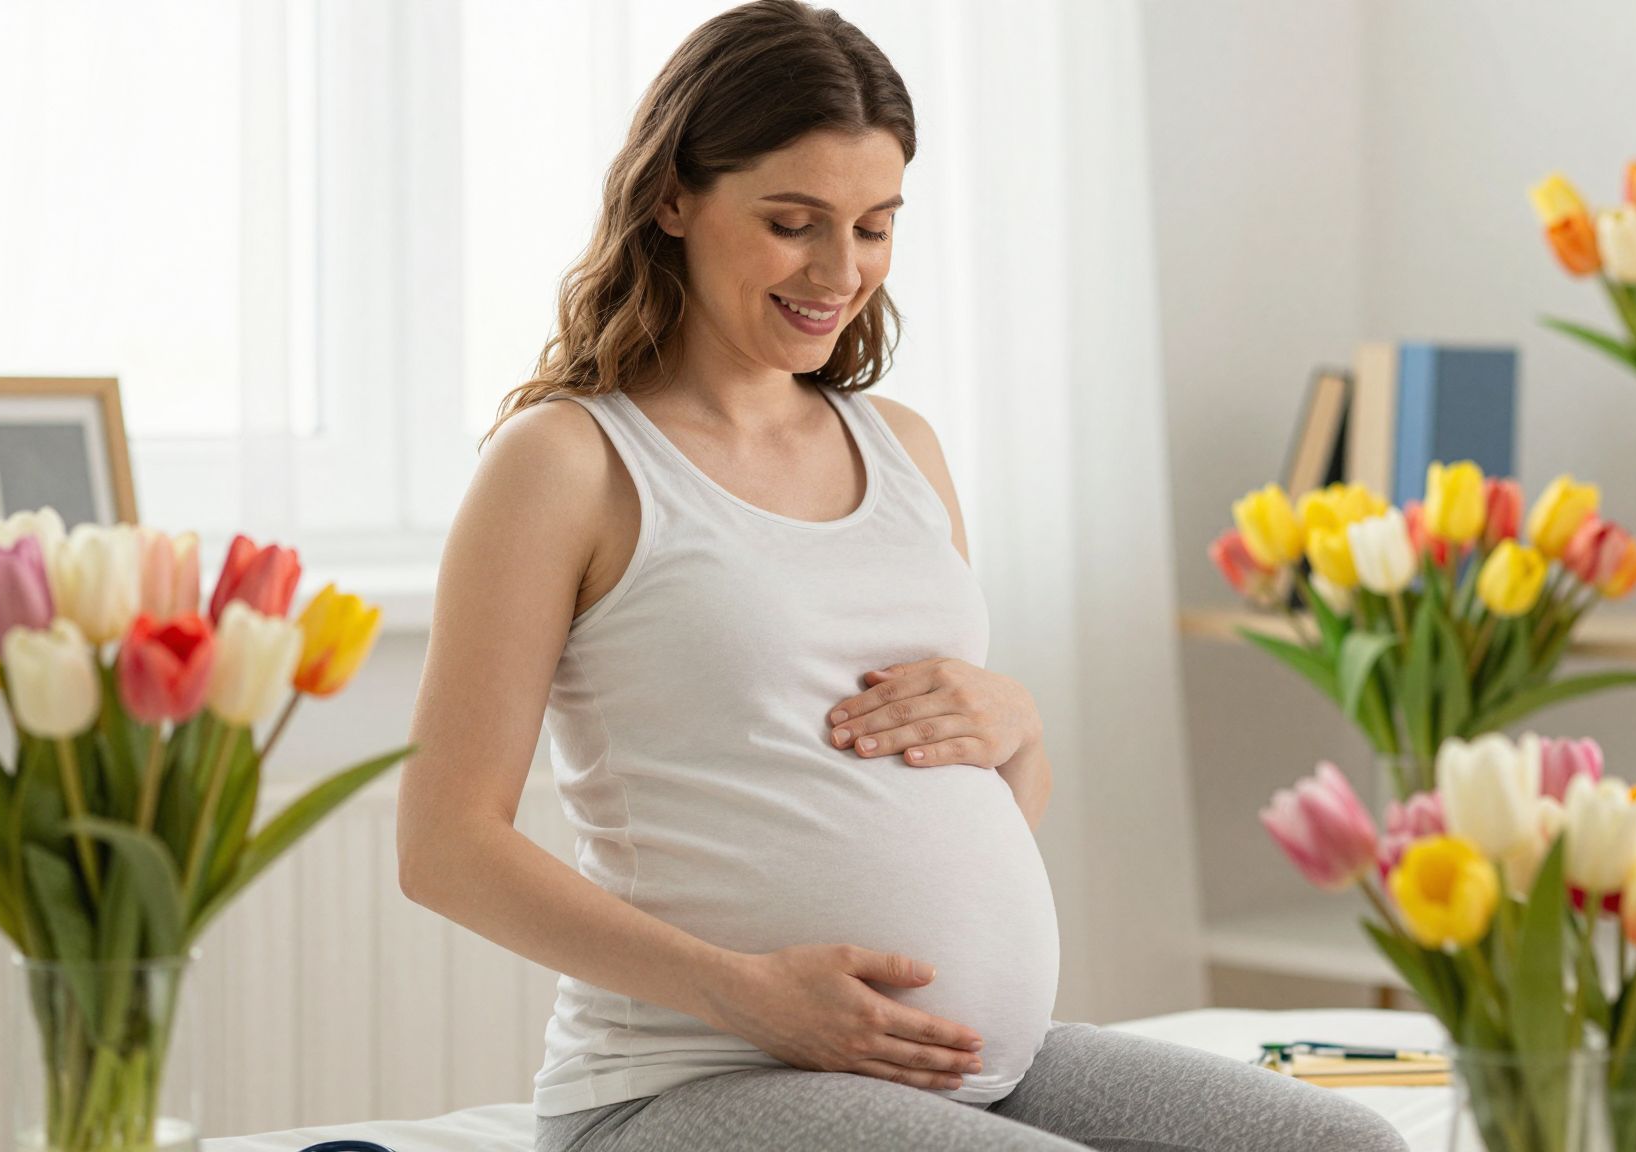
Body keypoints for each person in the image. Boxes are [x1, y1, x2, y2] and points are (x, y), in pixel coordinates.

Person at [399, 2, 1407, 1149]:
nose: (841, 271)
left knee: (1346, 1147)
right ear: (672, 197)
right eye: (794, 223)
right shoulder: (570, 463)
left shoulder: (900, 447)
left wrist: (1014, 725)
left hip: (969, 1070)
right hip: (687, 1083)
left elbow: (947, 792)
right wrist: (746, 989)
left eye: (874, 227)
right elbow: (443, 848)